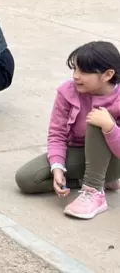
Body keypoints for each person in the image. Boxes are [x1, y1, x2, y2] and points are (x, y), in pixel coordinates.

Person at [15, 41, 120, 220]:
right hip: (81, 154)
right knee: (27, 179)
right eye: (75, 69)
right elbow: (57, 133)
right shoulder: (68, 91)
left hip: (114, 160)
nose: (76, 76)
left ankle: (94, 191)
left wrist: (109, 127)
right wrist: (57, 167)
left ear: (108, 74)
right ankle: (92, 181)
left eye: (84, 71)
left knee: (98, 119)